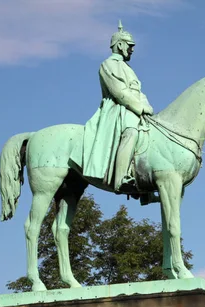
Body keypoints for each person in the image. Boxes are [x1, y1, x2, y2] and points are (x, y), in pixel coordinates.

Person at [76, 20, 153, 193]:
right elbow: (119, 91)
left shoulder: (128, 68)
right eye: (129, 45)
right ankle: (121, 178)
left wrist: (147, 106)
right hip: (118, 109)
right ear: (119, 45)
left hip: (133, 109)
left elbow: (138, 91)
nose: (132, 49)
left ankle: (144, 189)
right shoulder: (108, 64)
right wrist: (139, 107)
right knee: (131, 132)